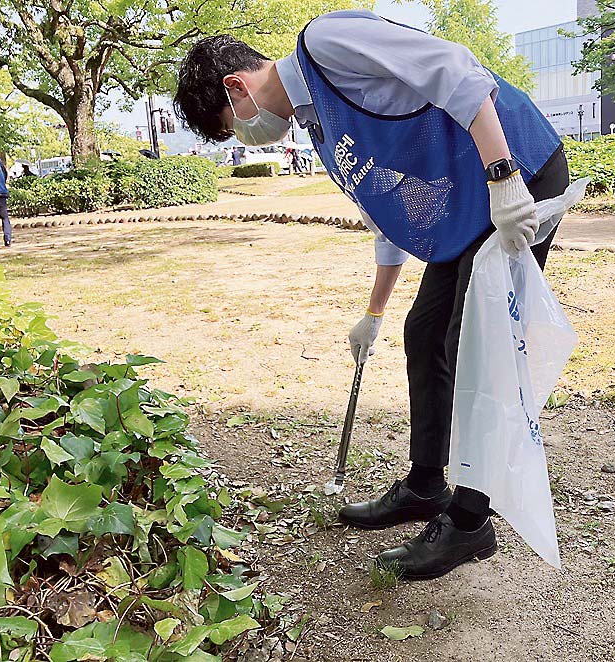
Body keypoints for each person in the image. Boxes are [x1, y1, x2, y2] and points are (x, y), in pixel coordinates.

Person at [174, 9, 568, 580]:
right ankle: (427, 486)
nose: (243, 134)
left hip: (516, 172)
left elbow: (455, 69)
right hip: (467, 200)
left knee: (476, 347)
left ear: (237, 88)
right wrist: (373, 313)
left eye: (231, 124)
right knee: (423, 331)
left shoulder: (328, 42)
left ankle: (469, 522)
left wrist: (504, 179)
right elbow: (388, 214)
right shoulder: (320, 125)